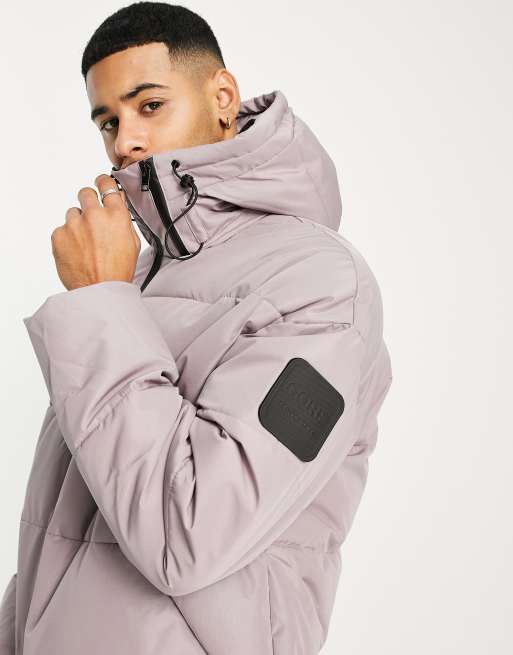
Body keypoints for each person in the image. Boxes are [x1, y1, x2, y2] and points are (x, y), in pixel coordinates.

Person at [0, 2, 393, 653]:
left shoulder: (322, 285)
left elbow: (190, 533)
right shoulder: (135, 278)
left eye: (149, 105)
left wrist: (99, 302)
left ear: (222, 98)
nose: (125, 141)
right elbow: (70, 524)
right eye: (108, 121)